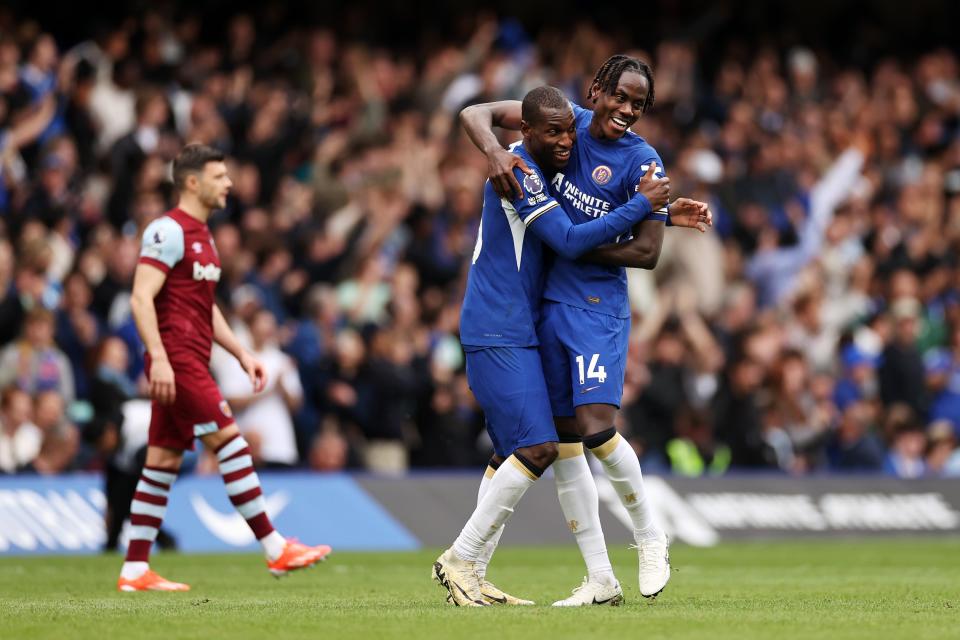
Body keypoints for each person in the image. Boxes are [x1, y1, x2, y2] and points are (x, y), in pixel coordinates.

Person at [461, 54, 711, 605]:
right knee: (565, 442)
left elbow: (645, 253)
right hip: (549, 306)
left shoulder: (645, 163)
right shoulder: (562, 121)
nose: (626, 110)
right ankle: (600, 577)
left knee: (598, 428)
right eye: (619, 96)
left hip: (598, 308)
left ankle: (650, 536)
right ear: (596, 91)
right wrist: (497, 152)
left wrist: (647, 214)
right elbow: (475, 111)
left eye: (638, 105)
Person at [116, 143, 330, 592]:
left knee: (161, 461)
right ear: (192, 182)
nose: (229, 183)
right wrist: (156, 356)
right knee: (230, 441)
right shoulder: (167, 230)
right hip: (176, 359)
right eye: (219, 176)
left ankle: (135, 569)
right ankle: (275, 548)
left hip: (191, 357)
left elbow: (205, 307)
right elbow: (141, 297)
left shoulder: (204, 236)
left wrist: (241, 353)